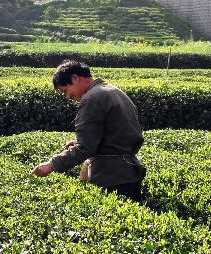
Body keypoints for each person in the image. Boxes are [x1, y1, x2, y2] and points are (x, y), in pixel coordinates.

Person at [31, 60, 146, 201]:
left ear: (75, 78)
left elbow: (86, 147)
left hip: (110, 177)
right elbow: (117, 134)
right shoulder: (115, 91)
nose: (68, 97)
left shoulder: (91, 98)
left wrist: (51, 164)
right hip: (130, 173)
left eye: (65, 90)